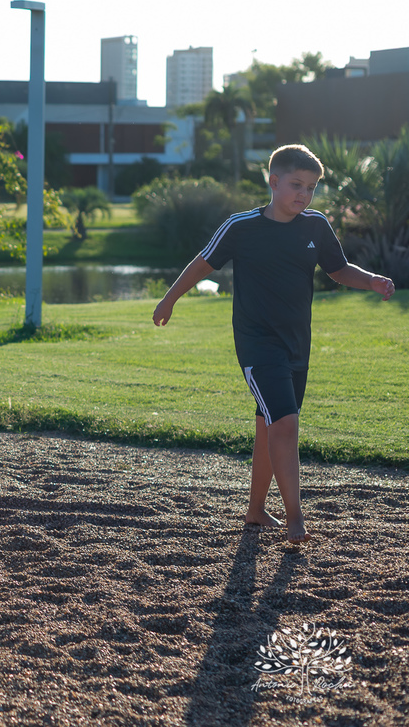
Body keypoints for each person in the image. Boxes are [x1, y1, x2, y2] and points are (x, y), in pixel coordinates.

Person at [153, 144, 394, 544]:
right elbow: (203, 262)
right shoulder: (241, 226)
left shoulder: (315, 225)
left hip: (297, 345)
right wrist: (169, 298)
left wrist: (370, 280)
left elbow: (338, 270)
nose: (304, 194)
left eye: (312, 187)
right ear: (274, 181)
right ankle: (296, 518)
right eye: (296, 185)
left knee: (269, 422)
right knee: (285, 422)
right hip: (256, 343)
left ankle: (255, 510)